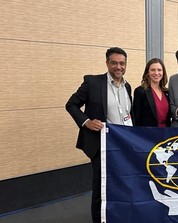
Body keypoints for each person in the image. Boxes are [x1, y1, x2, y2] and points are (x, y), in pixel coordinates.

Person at [65, 47, 132, 223]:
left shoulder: (127, 86)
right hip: (101, 144)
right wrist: (86, 121)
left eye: (122, 63)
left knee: (120, 184)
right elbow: (71, 105)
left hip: (122, 145)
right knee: (101, 188)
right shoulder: (92, 82)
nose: (119, 67)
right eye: (114, 63)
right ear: (107, 63)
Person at [133, 58, 171, 127]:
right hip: (147, 134)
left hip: (166, 134)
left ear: (163, 72)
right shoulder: (140, 92)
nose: (156, 73)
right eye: (153, 70)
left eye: (159, 70)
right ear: (148, 72)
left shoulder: (167, 92)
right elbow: (136, 119)